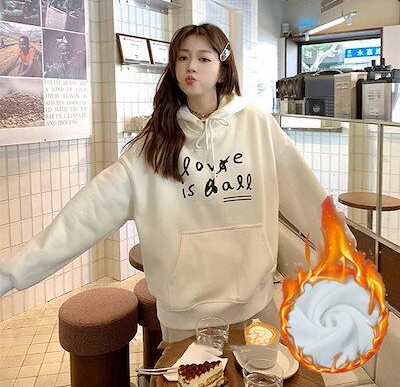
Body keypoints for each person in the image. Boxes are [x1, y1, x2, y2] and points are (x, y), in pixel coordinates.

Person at [0, 23, 346, 341]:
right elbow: (86, 214)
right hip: (184, 316)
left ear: (223, 68)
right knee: (191, 376)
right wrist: (14, 272)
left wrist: (340, 243)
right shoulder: (154, 144)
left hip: (255, 305)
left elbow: (302, 189)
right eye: (182, 58)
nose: (191, 67)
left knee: (263, 375)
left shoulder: (257, 124)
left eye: (203, 58)